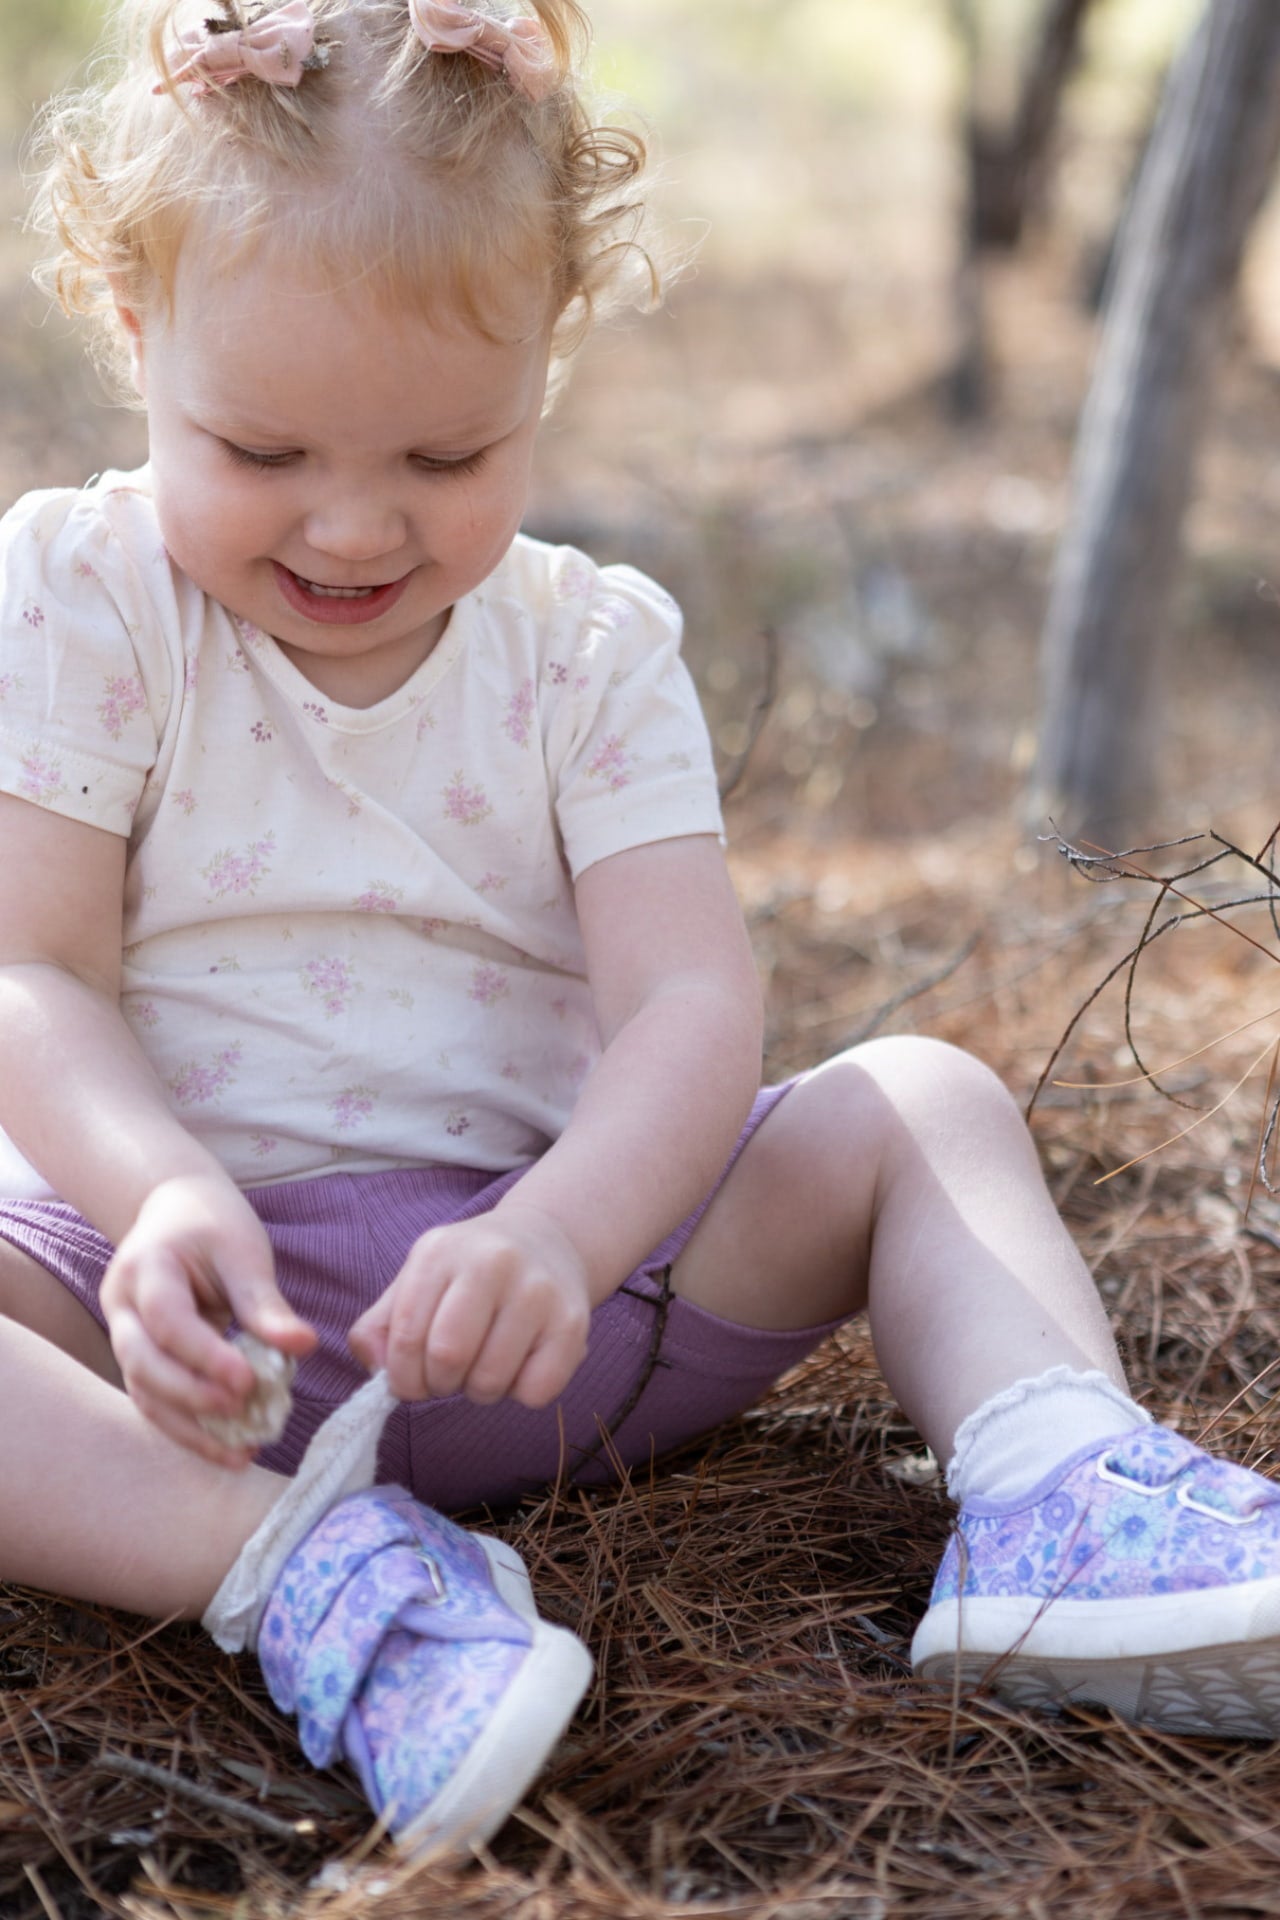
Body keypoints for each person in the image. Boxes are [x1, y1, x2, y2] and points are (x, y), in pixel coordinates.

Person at [3, 0, 1280, 1867]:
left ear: (549, 360)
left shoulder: (588, 649)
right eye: (261, 447)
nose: (355, 526)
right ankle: (315, 1581)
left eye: (449, 458)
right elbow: (32, 973)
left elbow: (689, 1001)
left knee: (918, 1100)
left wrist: (563, 1228)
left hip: (570, 1295)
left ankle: (1054, 1483)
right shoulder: (87, 597)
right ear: (134, 335)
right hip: (191, 1343)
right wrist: (158, 1198)